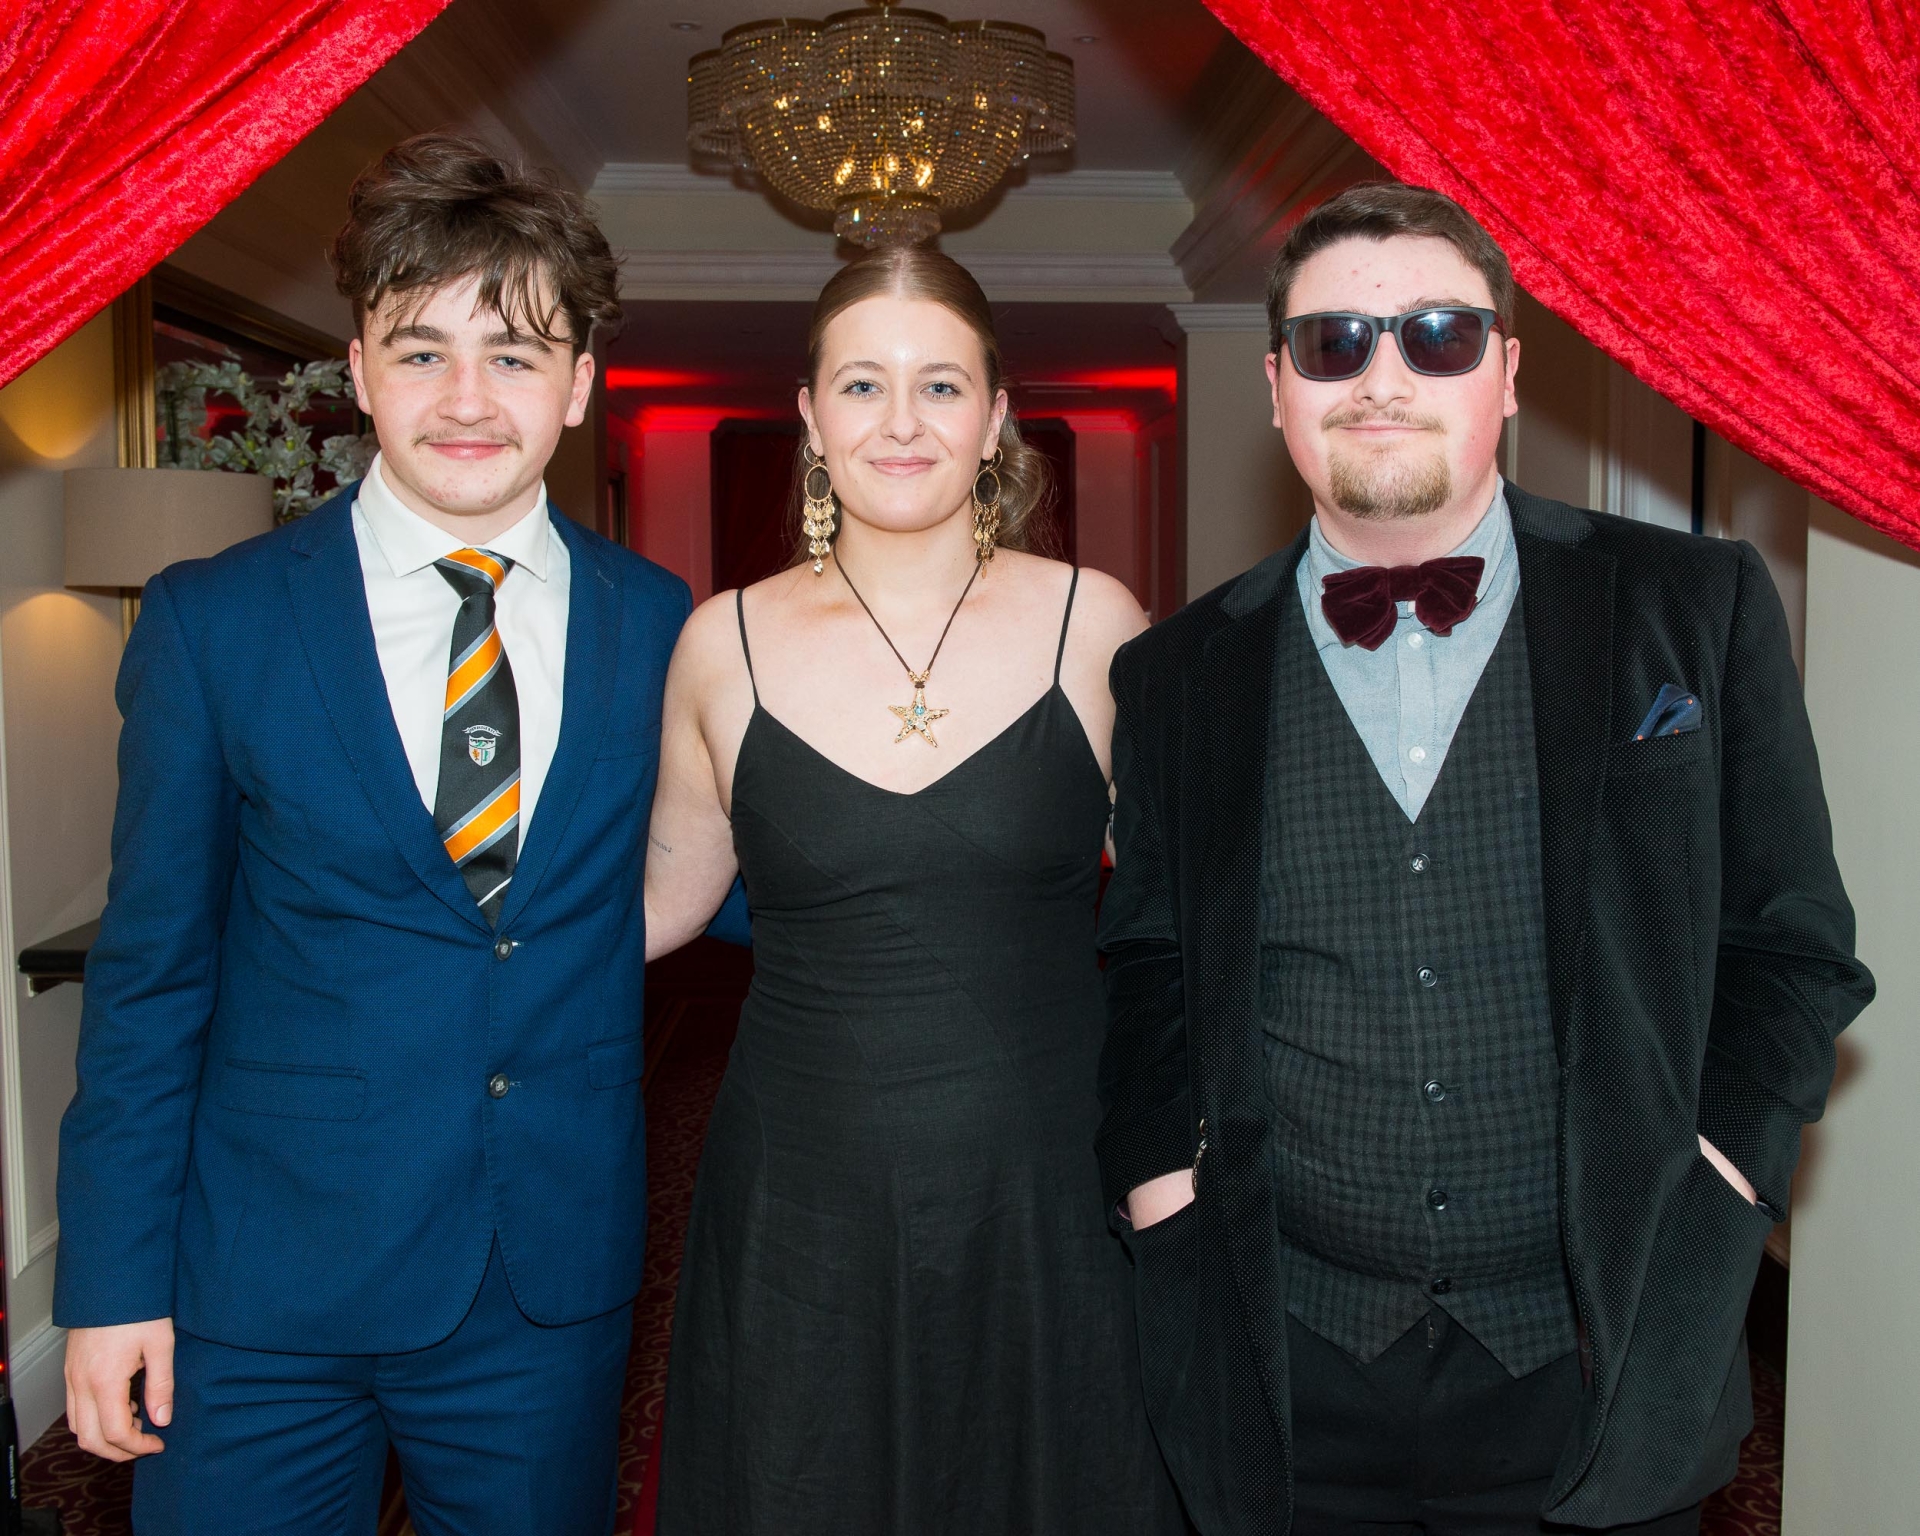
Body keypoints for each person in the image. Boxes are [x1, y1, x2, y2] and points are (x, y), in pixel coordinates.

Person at [1097, 181, 1874, 1536]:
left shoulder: (1693, 607)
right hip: (1287, 1365)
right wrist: (1165, 1192)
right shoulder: (1174, 673)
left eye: (1438, 335)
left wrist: (1724, 1180)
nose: (1382, 377)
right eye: (1335, 343)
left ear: (1507, 372)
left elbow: (1793, 944)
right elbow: (1150, 962)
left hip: (1600, 1352)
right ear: (1277, 388)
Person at [55, 134, 684, 1534]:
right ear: (357, 372)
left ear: (579, 384)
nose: (467, 399)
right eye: (421, 352)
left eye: (514, 355)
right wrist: (111, 1284)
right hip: (258, 1291)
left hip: (542, 1282)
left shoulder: (661, 625)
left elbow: (758, 872)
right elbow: (151, 975)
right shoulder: (216, 620)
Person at [641, 244, 1185, 1534]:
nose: (901, 422)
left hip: (1049, 1190)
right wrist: (424, 920)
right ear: (810, 417)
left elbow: (1180, 916)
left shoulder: (1096, 623)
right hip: (800, 1196)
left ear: (995, 419)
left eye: (940, 386)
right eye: (862, 385)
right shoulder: (722, 641)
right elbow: (664, 898)